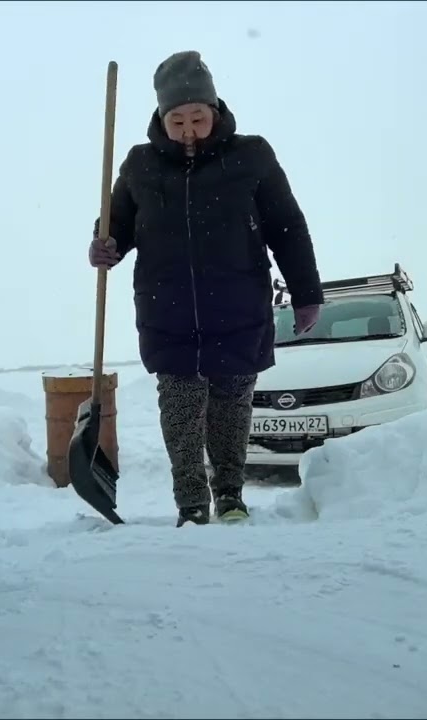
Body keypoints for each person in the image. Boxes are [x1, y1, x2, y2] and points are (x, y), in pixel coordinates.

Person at [88, 50, 324, 527]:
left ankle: (231, 496)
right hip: (166, 311)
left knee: (231, 408)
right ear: (161, 118)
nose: (190, 129)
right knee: (179, 413)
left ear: (216, 111)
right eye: (178, 120)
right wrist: (104, 245)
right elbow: (116, 227)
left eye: (198, 117)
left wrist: (307, 292)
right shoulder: (140, 165)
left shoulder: (251, 156)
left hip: (238, 308)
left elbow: (287, 227)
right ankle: (191, 504)